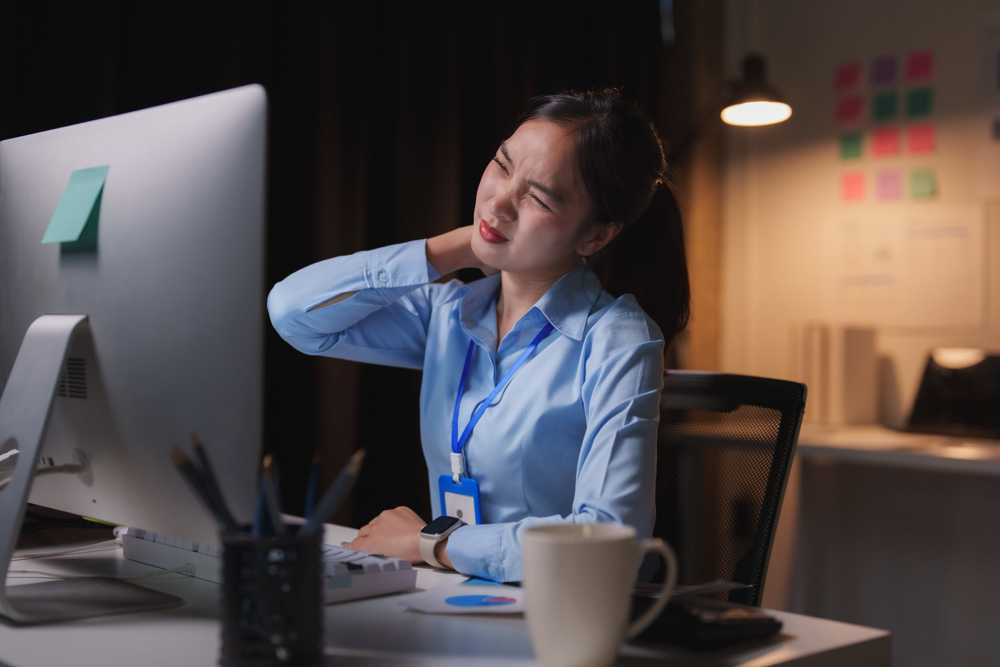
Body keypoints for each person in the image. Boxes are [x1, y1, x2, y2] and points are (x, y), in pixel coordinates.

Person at [267, 88, 690, 582]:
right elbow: (293, 312)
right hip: (449, 601)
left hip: (555, 618)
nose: (500, 202)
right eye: (502, 165)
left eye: (538, 197)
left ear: (595, 236)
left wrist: (435, 543)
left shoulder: (618, 338)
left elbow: (611, 540)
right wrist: (453, 249)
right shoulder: (448, 313)